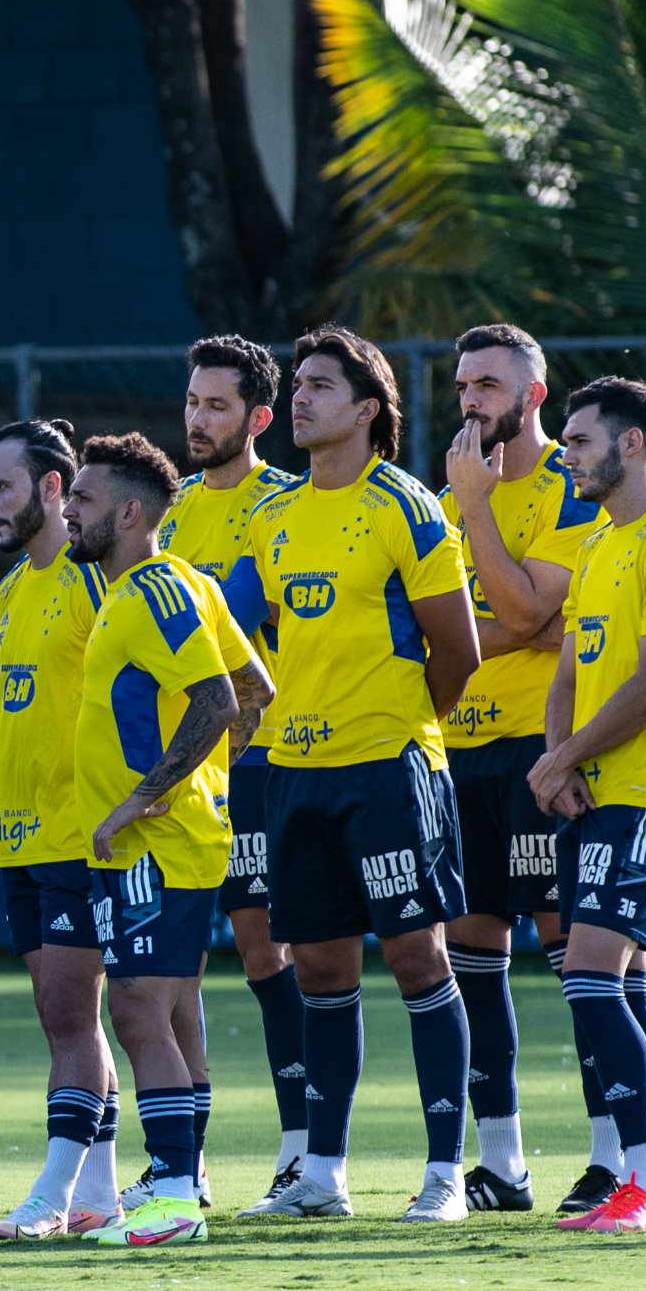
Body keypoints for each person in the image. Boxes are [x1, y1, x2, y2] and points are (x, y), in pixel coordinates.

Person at [246, 330, 483, 1220]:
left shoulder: (409, 507)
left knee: (419, 955)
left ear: (367, 409)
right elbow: (248, 638)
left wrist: (399, 723)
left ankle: (445, 1173)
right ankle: (323, 1174)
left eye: (318, 386)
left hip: (389, 768)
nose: (300, 398)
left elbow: (457, 651)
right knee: (317, 967)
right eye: (297, 384)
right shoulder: (274, 516)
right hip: (294, 772)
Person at [63, 435, 270, 1247]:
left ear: (129, 511)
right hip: (177, 833)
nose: (68, 510)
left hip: (160, 843)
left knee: (138, 1007)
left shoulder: (155, 590)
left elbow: (220, 700)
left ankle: (176, 1196)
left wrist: (142, 800)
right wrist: (210, 779)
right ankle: (178, 1183)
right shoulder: (166, 586)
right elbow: (258, 689)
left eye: (81, 498)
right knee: (170, 1009)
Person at [524, 378, 646, 1236]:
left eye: (577, 441)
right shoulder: (600, 545)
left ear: (631, 444)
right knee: (616, 982)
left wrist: (566, 756)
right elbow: (569, 671)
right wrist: (556, 759)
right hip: (594, 793)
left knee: (591, 973)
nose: (567, 456)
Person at [435, 324, 602, 1213]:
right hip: (456, 750)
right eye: (464, 384)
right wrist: (503, 621)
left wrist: (473, 513)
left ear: (534, 395)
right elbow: (490, 621)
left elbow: (531, 610)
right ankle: (501, 1164)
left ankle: (615, 1154)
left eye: (490, 384)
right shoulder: (448, 491)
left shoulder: (569, 489)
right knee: (471, 958)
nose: (471, 399)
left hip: (537, 749)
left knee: (575, 955)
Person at [0, 419, 123, 1239]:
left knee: (72, 1018)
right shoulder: (6, 592)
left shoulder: (95, 579)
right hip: (22, 838)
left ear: (54, 488)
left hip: (83, 837)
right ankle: (97, 1190)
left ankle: (54, 1192)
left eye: (1, 487)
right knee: (64, 1019)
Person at [169, 336, 302, 1195]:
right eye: (191, 402)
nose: (196, 417)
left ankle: (301, 1148)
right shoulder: (171, 508)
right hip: (181, 770)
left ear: (257, 418)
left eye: (216, 405)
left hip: (264, 762)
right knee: (172, 963)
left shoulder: (288, 503)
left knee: (264, 949)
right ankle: (189, 1159)